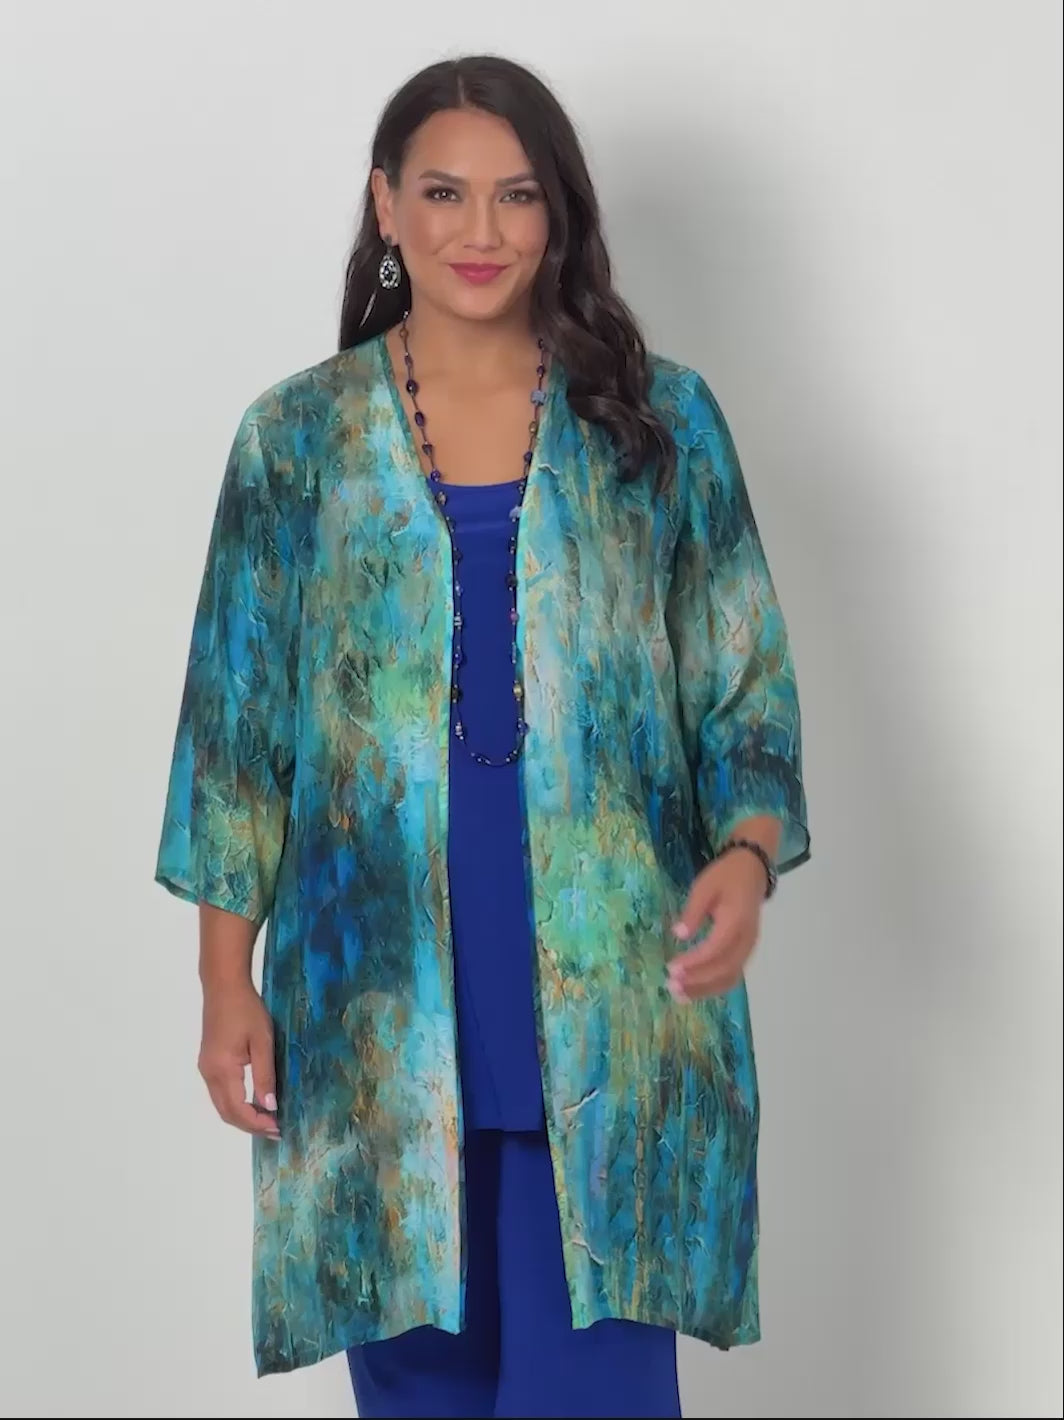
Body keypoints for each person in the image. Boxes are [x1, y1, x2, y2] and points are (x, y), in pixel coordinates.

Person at [154, 53, 810, 1419]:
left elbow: (743, 687)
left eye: (518, 195)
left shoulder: (660, 424)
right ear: (385, 205)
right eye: (445, 193)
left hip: (616, 1004)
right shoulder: (297, 442)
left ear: (557, 214)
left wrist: (747, 858)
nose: (482, 230)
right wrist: (226, 985)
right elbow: (234, 738)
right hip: (375, 1028)